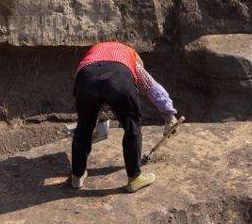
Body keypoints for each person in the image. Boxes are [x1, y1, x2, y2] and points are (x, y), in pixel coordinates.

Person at [70, 41, 179, 193]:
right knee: (131, 126)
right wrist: (169, 115)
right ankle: (135, 178)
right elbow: (151, 87)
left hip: (85, 77)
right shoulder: (130, 57)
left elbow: (87, 87)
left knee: (84, 127)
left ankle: (77, 175)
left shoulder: (93, 53)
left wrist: (95, 115)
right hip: (118, 78)